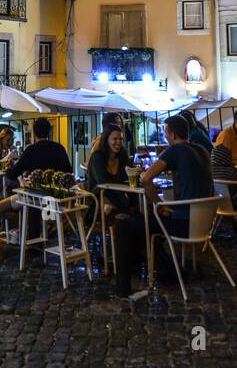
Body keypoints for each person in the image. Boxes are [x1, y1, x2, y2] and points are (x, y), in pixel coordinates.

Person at [85, 126, 146, 300]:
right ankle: (123, 261)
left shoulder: (123, 157)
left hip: (119, 202)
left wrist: (133, 204)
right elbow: (104, 185)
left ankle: (132, 260)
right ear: (107, 140)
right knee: (127, 219)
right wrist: (127, 207)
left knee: (138, 218)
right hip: (98, 204)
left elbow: (130, 180)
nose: (118, 142)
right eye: (115, 139)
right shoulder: (98, 158)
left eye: (120, 139)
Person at [142, 114, 213, 240]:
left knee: (136, 223)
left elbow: (146, 179)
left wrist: (160, 204)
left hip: (184, 224)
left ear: (173, 135)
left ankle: (155, 259)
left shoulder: (174, 150)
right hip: (205, 223)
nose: (165, 136)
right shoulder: (202, 150)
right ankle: (162, 259)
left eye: (165, 133)